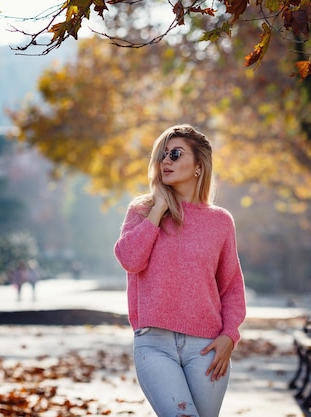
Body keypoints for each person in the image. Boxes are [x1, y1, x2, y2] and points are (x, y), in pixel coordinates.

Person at [114, 124, 247, 417]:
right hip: (154, 344)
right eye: (162, 155)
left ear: (198, 165)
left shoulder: (221, 221)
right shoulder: (142, 210)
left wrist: (230, 335)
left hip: (207, 348)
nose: (166, 161)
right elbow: (130, 260)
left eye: (175, 154)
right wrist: (157, 211)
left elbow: (232, 286)